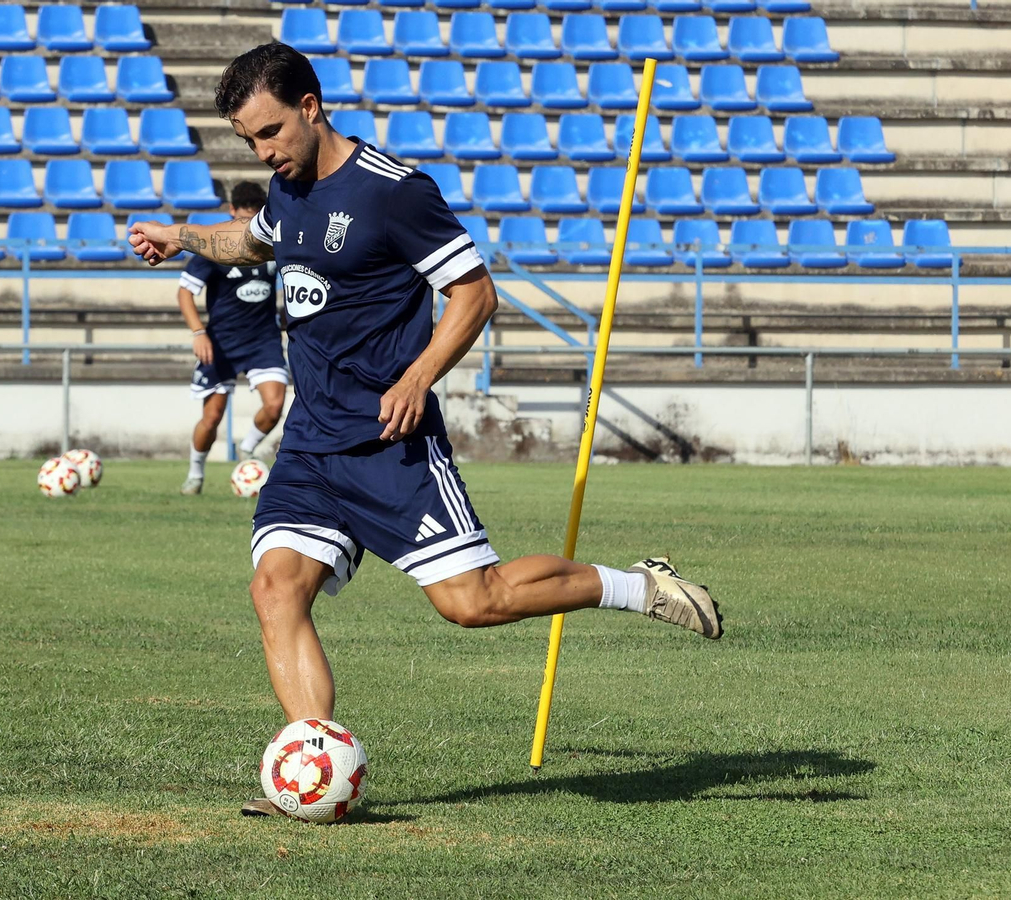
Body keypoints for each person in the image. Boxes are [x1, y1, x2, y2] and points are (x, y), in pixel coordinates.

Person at [128, 44, 725, 815]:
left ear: (311, 106)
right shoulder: (286, 188)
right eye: (249, 141)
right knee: (276, 589)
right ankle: (312, 769)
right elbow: (252, 241)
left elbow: (475, 295)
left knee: (472, 603)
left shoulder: (394, 193)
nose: (263, 151)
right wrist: (180, 234)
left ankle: (639, 585)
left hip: (390, 443)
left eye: (271, 131)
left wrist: (417, 377)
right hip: (312, 443)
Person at [176, 181, 287, 495]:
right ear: (231, 212)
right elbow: (185, 293)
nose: (246, 226)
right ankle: (196, 473)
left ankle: (248, 450)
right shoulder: (216, 248)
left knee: (275, 404)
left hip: (263, 340)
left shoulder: (272, 245)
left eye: (252, 219)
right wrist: (199, 333)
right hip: (221, 344)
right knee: (211, 419)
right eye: (242, 219)